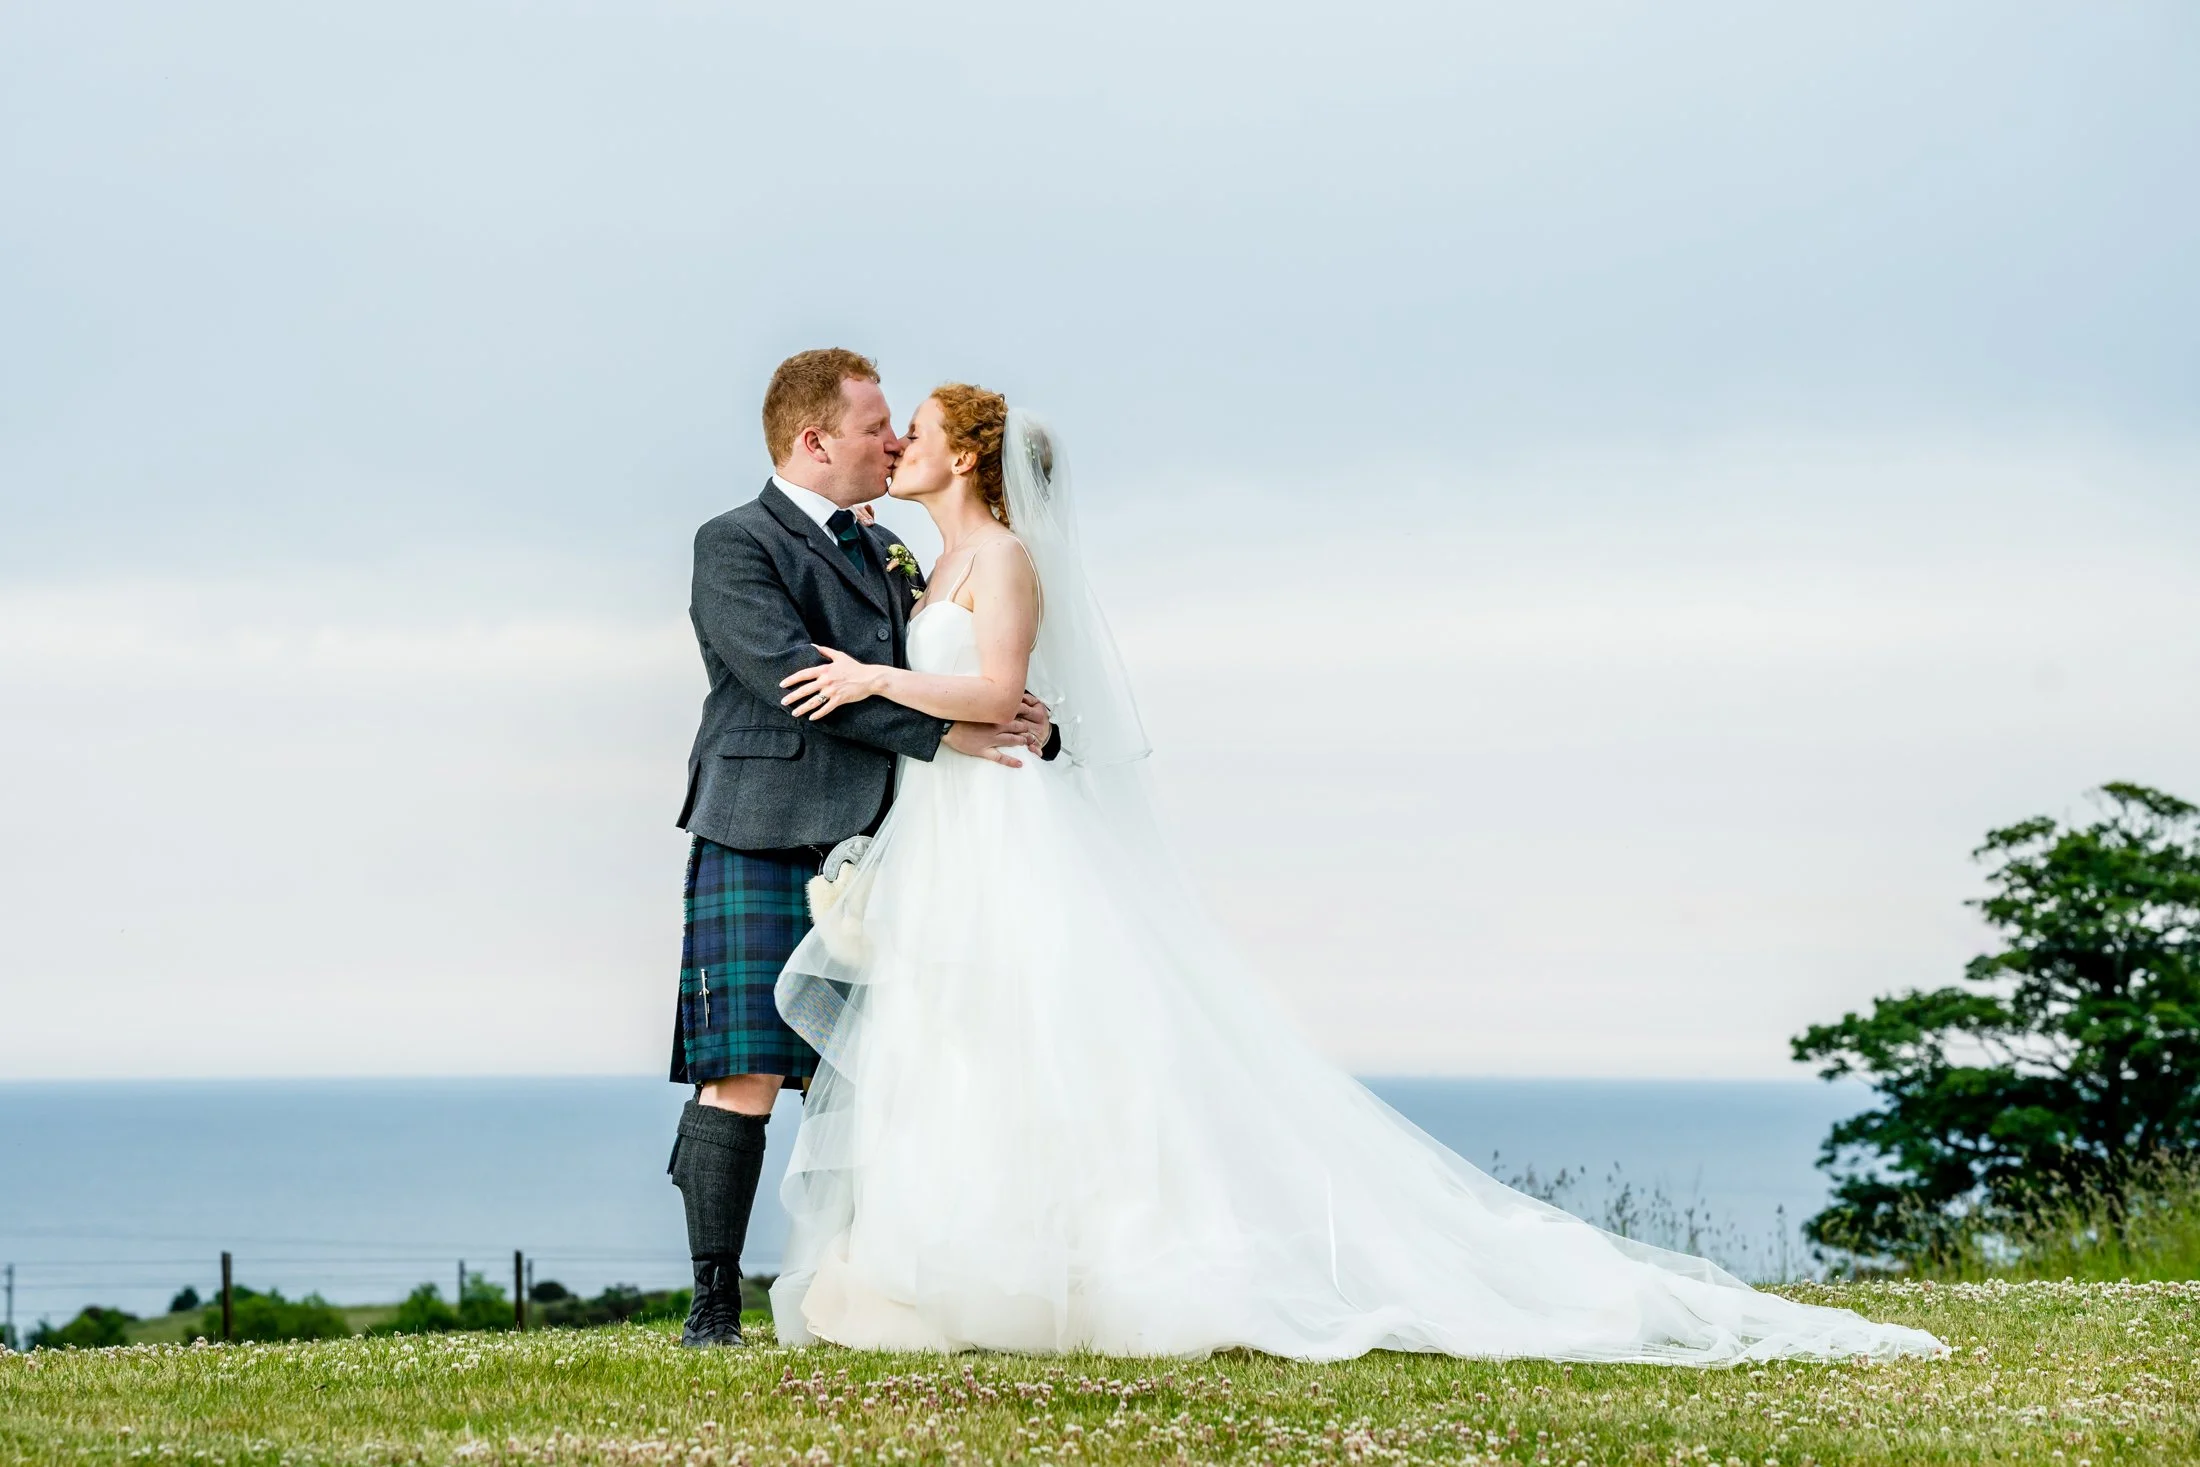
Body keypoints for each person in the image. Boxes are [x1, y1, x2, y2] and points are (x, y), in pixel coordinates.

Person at [767, 384, 1946, 1364]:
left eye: (915, 428)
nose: (899, 444)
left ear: (967, 451)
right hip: (961, 819)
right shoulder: (937, 564)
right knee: (966, 1032)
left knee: (1040, 1026)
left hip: (1009, 831)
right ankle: (951, 1254)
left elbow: (995, 692)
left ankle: (1066, 1259)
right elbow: (982, 710)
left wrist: (876, 684)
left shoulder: (1005, 559)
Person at [666, 350, 1056, 1347]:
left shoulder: (892, 553)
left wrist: (1026, 727)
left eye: (898, 426)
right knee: (742, 1074)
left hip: (887, 840)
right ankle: (715, 1303)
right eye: (875, 424)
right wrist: (949, 734)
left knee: (899, 1069)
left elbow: (943, 664)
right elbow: (795, 680)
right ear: (814, 440)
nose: (890, 441)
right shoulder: (734, 544)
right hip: (759, 829)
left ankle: (882, 1276)